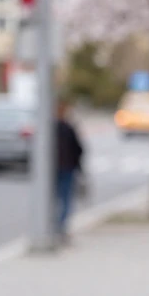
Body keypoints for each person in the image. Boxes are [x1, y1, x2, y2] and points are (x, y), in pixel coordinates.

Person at [55, 101, 85, 242]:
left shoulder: (49, 128)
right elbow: (79, 149)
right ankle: (61, 227)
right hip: (66, 168)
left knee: (57, 199)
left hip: (56, 170)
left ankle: (56, 226)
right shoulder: (68, 128)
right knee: (65, 199)